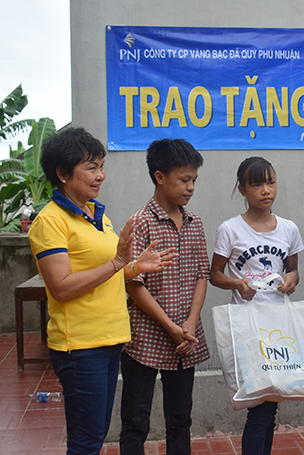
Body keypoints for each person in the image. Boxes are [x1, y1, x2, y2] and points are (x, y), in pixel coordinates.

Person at [27, 127, 175, 455]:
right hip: (80, 346)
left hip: (110, 340)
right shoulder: (50, 221)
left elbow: (108, 272)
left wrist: (136, 266)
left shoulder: (96, 216)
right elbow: (62, 287)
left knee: (95, 436)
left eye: (101, 166)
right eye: (91, 168)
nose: (100, 176)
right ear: (63, 173)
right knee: (86, 443)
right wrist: (119, 261)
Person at [119, 139, 210, 455]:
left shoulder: (194, 223)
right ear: (159, 176)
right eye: (184, 180)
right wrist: (170, 326)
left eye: (194, 180)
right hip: (144, 340)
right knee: (135, 421)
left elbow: (202, 275)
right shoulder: (140, 222)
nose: (190, 188)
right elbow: (133, 284)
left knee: (180, 419)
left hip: (186, 338)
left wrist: (189, 322)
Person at [209, 157, 304, 455]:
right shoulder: (230, 230)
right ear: (242, 189)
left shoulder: (288, 229)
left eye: (271, 182)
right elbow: (214, 275)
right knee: (259, 408)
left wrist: (291, 280)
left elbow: (293, 271)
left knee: (269, 409)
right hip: (249, 328)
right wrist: (237, 284)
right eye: (257, 184)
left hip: (280, 327)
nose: (266, 190)